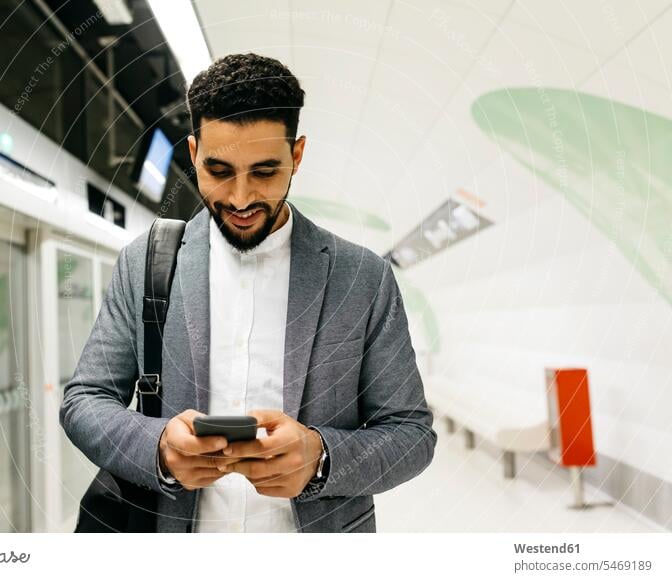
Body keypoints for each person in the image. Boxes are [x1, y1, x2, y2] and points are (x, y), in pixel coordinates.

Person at [60, 52, 437, 533]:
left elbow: (411, 435)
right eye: (218, 171)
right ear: (193, 153)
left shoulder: (362, 277)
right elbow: (85, 401)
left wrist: (320, 458)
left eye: (264, 172)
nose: (240, 199)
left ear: (296, 156)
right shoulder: (147, 264)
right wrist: (159, 448)